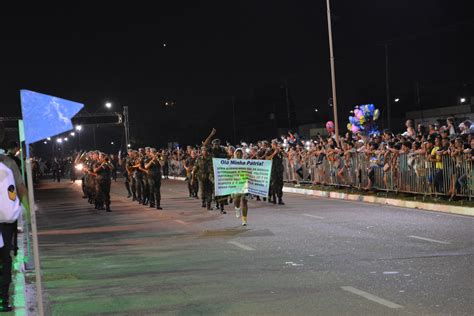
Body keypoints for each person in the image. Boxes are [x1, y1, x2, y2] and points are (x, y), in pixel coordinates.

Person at [0, 124, 29, 312]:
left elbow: (20, 187)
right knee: (3, 259)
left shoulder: (9, 163)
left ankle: (2, 298)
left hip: (4, 219)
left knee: (4, 259)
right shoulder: (8, 163)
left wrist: (28, 209)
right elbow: (20, 188)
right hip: (4, 219)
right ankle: (2, 299)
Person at [232, 148, 249, 226]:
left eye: (240, 154)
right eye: (237, 154)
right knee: (236, 200)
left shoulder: (246, 162)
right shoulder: (231, 162)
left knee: (244, 201)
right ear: (235, 154)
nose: (239, 155)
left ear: (242, 155)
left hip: (245, 183)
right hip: (235, 183)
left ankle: (244, 219)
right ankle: (237, 208)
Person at [266, 139, 286, 205]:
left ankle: (280, 199)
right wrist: (274, 153)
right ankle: (273, 198)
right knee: (274, 184)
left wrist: (282, 151)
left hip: (279, 170)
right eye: (274, 144)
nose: (275, 145)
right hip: (273, 169)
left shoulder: (280, 151)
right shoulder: (270, 151)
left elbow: (286, 156)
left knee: (280, 184)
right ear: (272, 145)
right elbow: (267, 158)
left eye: (276, 144)